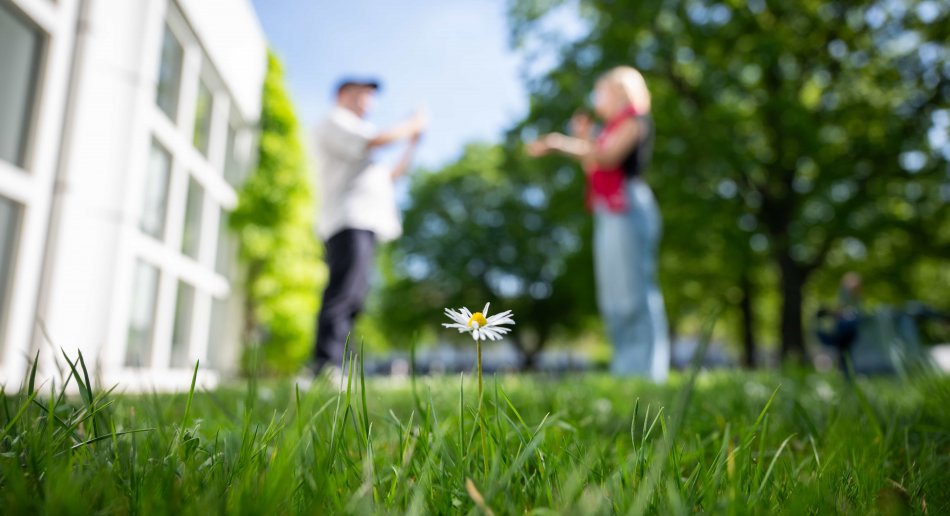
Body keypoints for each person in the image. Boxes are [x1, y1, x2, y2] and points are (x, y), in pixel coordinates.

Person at [526, 66, 669, 381]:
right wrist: (582, 139)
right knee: (614, 293)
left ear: (619, 91)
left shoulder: (635, 120)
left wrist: (561, 143)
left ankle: (647, 372)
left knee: (635, 290)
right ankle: (625, 370)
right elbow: (594, 167)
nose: (595, 98)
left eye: (599, 91)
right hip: (608, 209)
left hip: (628, 204)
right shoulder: (605, 130)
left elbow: (608, 158)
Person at [310, 78, 427, 375]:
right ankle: (325, 365)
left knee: (355, 297)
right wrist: (411, 125)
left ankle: (338, 364)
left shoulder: (359, 140)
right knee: (342, 292)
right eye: (363, 94)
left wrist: (412, 144)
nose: (369, 102)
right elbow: (374, 141)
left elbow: (390, 177)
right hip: (348, 220)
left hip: (365, 222)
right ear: (343, 95)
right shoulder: (335, 121)